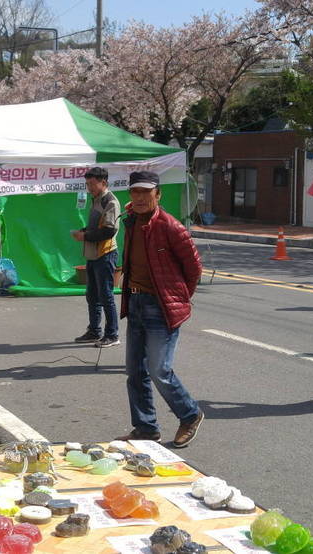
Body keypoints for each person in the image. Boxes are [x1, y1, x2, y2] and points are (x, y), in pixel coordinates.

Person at [114, 171, 205, 448]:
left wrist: (176, 298)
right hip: (137, 301)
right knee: (135, 371)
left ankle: (190, 414)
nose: (140, 197)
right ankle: (145, 428)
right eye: (135, 192)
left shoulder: (170, 226)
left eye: (146, 192)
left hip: (160, 306)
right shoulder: (131, 222)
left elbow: (194, 268)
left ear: (158, 194)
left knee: (159, 370)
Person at [71, 167, 122, 348]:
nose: (89, 187)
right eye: (87, 184)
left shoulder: (111, 201)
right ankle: (94, 331)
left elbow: (109, 231)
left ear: (104, 182)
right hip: (93, 255)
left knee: (106, 295)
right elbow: (96, 227)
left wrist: (84, 236)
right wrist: (84, 231)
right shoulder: (96, 199)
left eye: (93, 184)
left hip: (105, 254)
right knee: (92, 295)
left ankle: (112, 334)